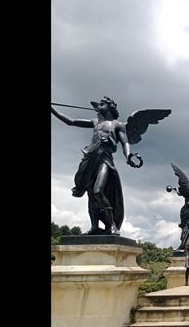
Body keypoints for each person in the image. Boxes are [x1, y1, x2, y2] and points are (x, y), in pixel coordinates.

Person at [51, 96, 138, 235]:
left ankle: (111, 225)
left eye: (102, 104)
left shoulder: (117, 124)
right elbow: (70, 121)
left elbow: (125, 142)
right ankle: (94, 227)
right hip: (90, 160)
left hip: (105, 159)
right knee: (91, 194)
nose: (99, 106)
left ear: (110, 107)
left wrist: (128, 155)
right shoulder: (95, 122)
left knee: (98, 190)